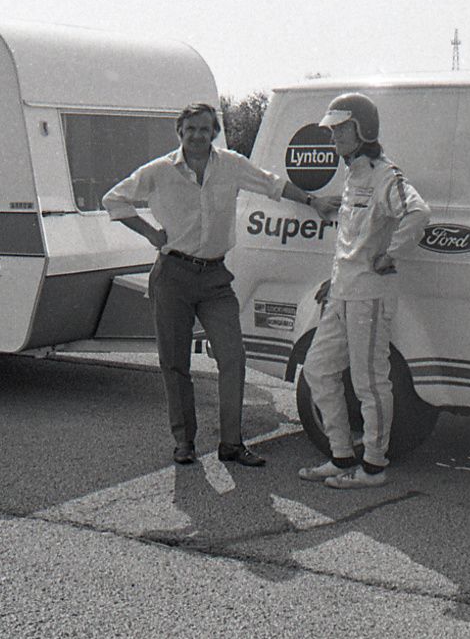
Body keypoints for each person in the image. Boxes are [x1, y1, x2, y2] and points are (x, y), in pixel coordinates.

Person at [103, 102, 323, 467]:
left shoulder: (231, 164)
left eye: (205, 129)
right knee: (175, 363)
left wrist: (315, 202)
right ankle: (184, 442)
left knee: (233, 358)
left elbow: (273, 185)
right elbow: (114, 198)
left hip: (216, 278)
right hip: (173, 275)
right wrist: (150, 233)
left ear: (214, 132)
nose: (197, 136)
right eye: (190, 129)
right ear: (180, 132)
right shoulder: (159, 171)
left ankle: (231, 445)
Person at [299, 92, 430, 489]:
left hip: (369, 295)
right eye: (333, 129)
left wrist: (390, 254)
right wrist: (333, 280)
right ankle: (340, 456)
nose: (334, 136)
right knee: (318, 370)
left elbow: (418, 212)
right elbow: (350, 241)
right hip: (343, 292)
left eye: (342, 128)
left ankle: (374, 466)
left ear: (363, 130)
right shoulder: (353, 174)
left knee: (369, 381)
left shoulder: (384, 174)